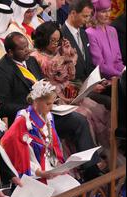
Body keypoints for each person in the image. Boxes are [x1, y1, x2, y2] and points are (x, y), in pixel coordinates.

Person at [0, 32, 104, 182]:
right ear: (10, 52)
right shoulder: (1, 71)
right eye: (22, 49)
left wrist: (53, 99)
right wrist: (32, 106)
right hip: (27, 121)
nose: (28, 51)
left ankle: (91, 170)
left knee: (80, 120)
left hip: (47, 112)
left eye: (27, 47)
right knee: (78, 121)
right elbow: (2, 105)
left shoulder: (30, 61)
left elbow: (43, 84)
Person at [31, 21, 110, 156]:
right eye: (52, 40)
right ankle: (89, 157)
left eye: (58, 40)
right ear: (44, 39)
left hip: (69, 90)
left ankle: (102, 149)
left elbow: (70, 76)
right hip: (53, 96)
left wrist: (70, 59)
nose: (56, 44)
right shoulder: (35, 57)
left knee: (97, 110)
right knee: (84, 114)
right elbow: (42, 83)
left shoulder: (59, 51)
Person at [1, 79, 66, 179]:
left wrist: (58, 163)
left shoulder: (48, 116)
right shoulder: (23, 120)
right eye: (48, 104)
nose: (51, 107)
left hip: (51, 167)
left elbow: (54, 144)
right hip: (35, 173)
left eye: (53, 103)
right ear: (36, 101)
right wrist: (38, 172)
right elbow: (6, 142)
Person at [86, 0, 125, 79]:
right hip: (102, 80)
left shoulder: (112, 30)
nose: (107, 15)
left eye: (109, 10)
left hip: (117, 78)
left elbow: (118, 60)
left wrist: (124, 70)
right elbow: (100, 66)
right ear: (95, 13)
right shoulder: (90, 33)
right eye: (103, 12)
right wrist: (121, 75)